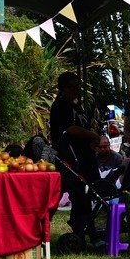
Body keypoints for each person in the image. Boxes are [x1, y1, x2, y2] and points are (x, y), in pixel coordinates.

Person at [50, 71, 100, 242]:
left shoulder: (76, 106)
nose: (76, 90)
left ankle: (87, 231)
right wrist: (92, 136)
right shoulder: (61, 106)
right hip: (70, 158)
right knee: (78, 193)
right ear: (62, 88)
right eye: (71, 87)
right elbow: (70, 129)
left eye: (77, 86)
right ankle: (82, 231)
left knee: (87, 195)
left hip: (84, 156)